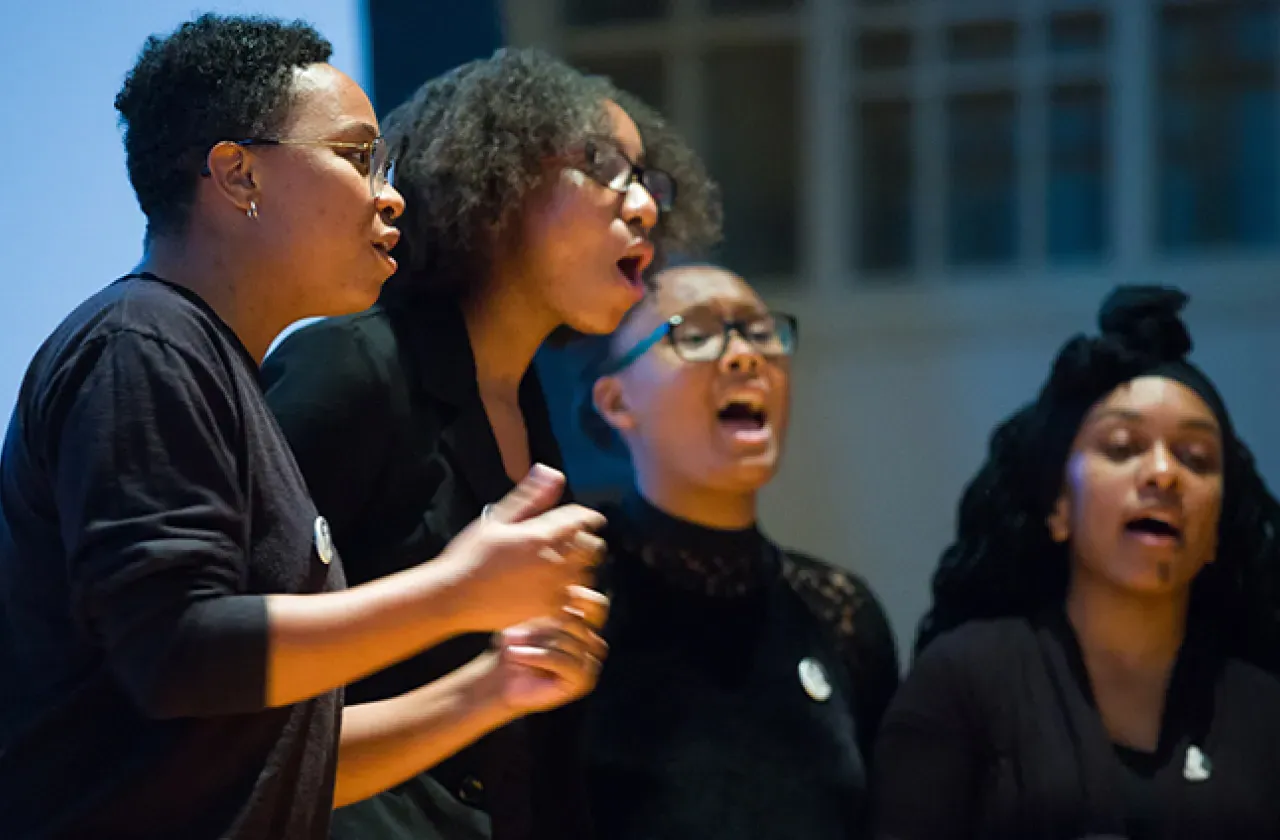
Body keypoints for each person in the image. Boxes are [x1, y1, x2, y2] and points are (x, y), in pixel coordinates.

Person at [0, 16, 609, 840]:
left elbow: (284, 760)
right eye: (360, 159)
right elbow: (179, 652)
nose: (390, 193)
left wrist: (492, 688)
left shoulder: (208, 365)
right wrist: (458, 592)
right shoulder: (140, 343)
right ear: (238, 174)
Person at [261, 49, 722, 840]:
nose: (644, 206)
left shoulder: (526, 408)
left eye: (650, 180)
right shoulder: (352, 364)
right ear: (497, 177)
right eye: (606, 166)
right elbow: (233, 670)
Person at [871, 286, 1280, 840]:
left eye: (1196, 458)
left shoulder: (1263, 714)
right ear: (1058, 507)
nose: (1163, 474)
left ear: (1216, 532)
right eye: (1121, 446)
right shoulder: (963, 683)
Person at [574, 260, 901, 839]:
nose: (746, 355)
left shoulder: (841, 613)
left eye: (759, 330)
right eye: (694, 335)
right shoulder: (575, 594)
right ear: (616, 402)